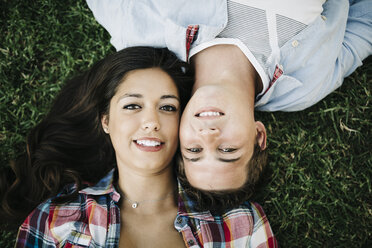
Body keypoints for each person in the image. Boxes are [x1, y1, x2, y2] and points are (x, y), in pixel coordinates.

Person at [86, 0, 372, 209]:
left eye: (194, 150)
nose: (208, 135)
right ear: (259, 136)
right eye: (227, 150)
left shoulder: (142, 38)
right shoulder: (306, 86)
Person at [1, 47, 277, 247]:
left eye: (168, 107)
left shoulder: (241, 223)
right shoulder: (57, 220)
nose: (151, 122)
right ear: (106, 121)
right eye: (132, 106)